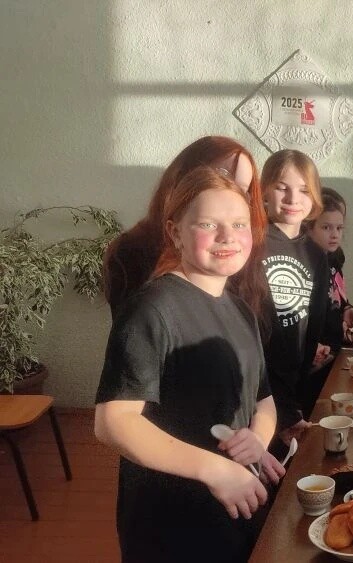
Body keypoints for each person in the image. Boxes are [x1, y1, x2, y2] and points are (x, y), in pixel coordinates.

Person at [95, 167, 283, 563]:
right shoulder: (152, 309)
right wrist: (216, 470)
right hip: (171, 522)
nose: (227, 236)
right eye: (208, 224)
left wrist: (258, 439)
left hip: (234, 506)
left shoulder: (241, 311)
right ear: (176, 231)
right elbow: (114, 422)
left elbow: (263, 399)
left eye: (238, 224)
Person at [103, 136, 270, 324]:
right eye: (221, 178)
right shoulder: (133, 251)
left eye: (242, 189)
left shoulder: (243, 257)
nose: (230, 193)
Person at [259, 149, 329, 438]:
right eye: (281, 187)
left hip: (292, 384)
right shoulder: (251, 244)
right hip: (255, 386)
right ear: (264, 190)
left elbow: (313, 326)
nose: (292, 198)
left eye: (303, 190)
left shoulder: (316, 254)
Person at [307, 187, 353, 359]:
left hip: (335, 344)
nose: (335, 235)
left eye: (339, 228)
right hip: (317, 350)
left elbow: (336, 292)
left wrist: (346, 308)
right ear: (309, 228)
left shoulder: (334, 257)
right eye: (326, 227)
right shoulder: (308, 264)